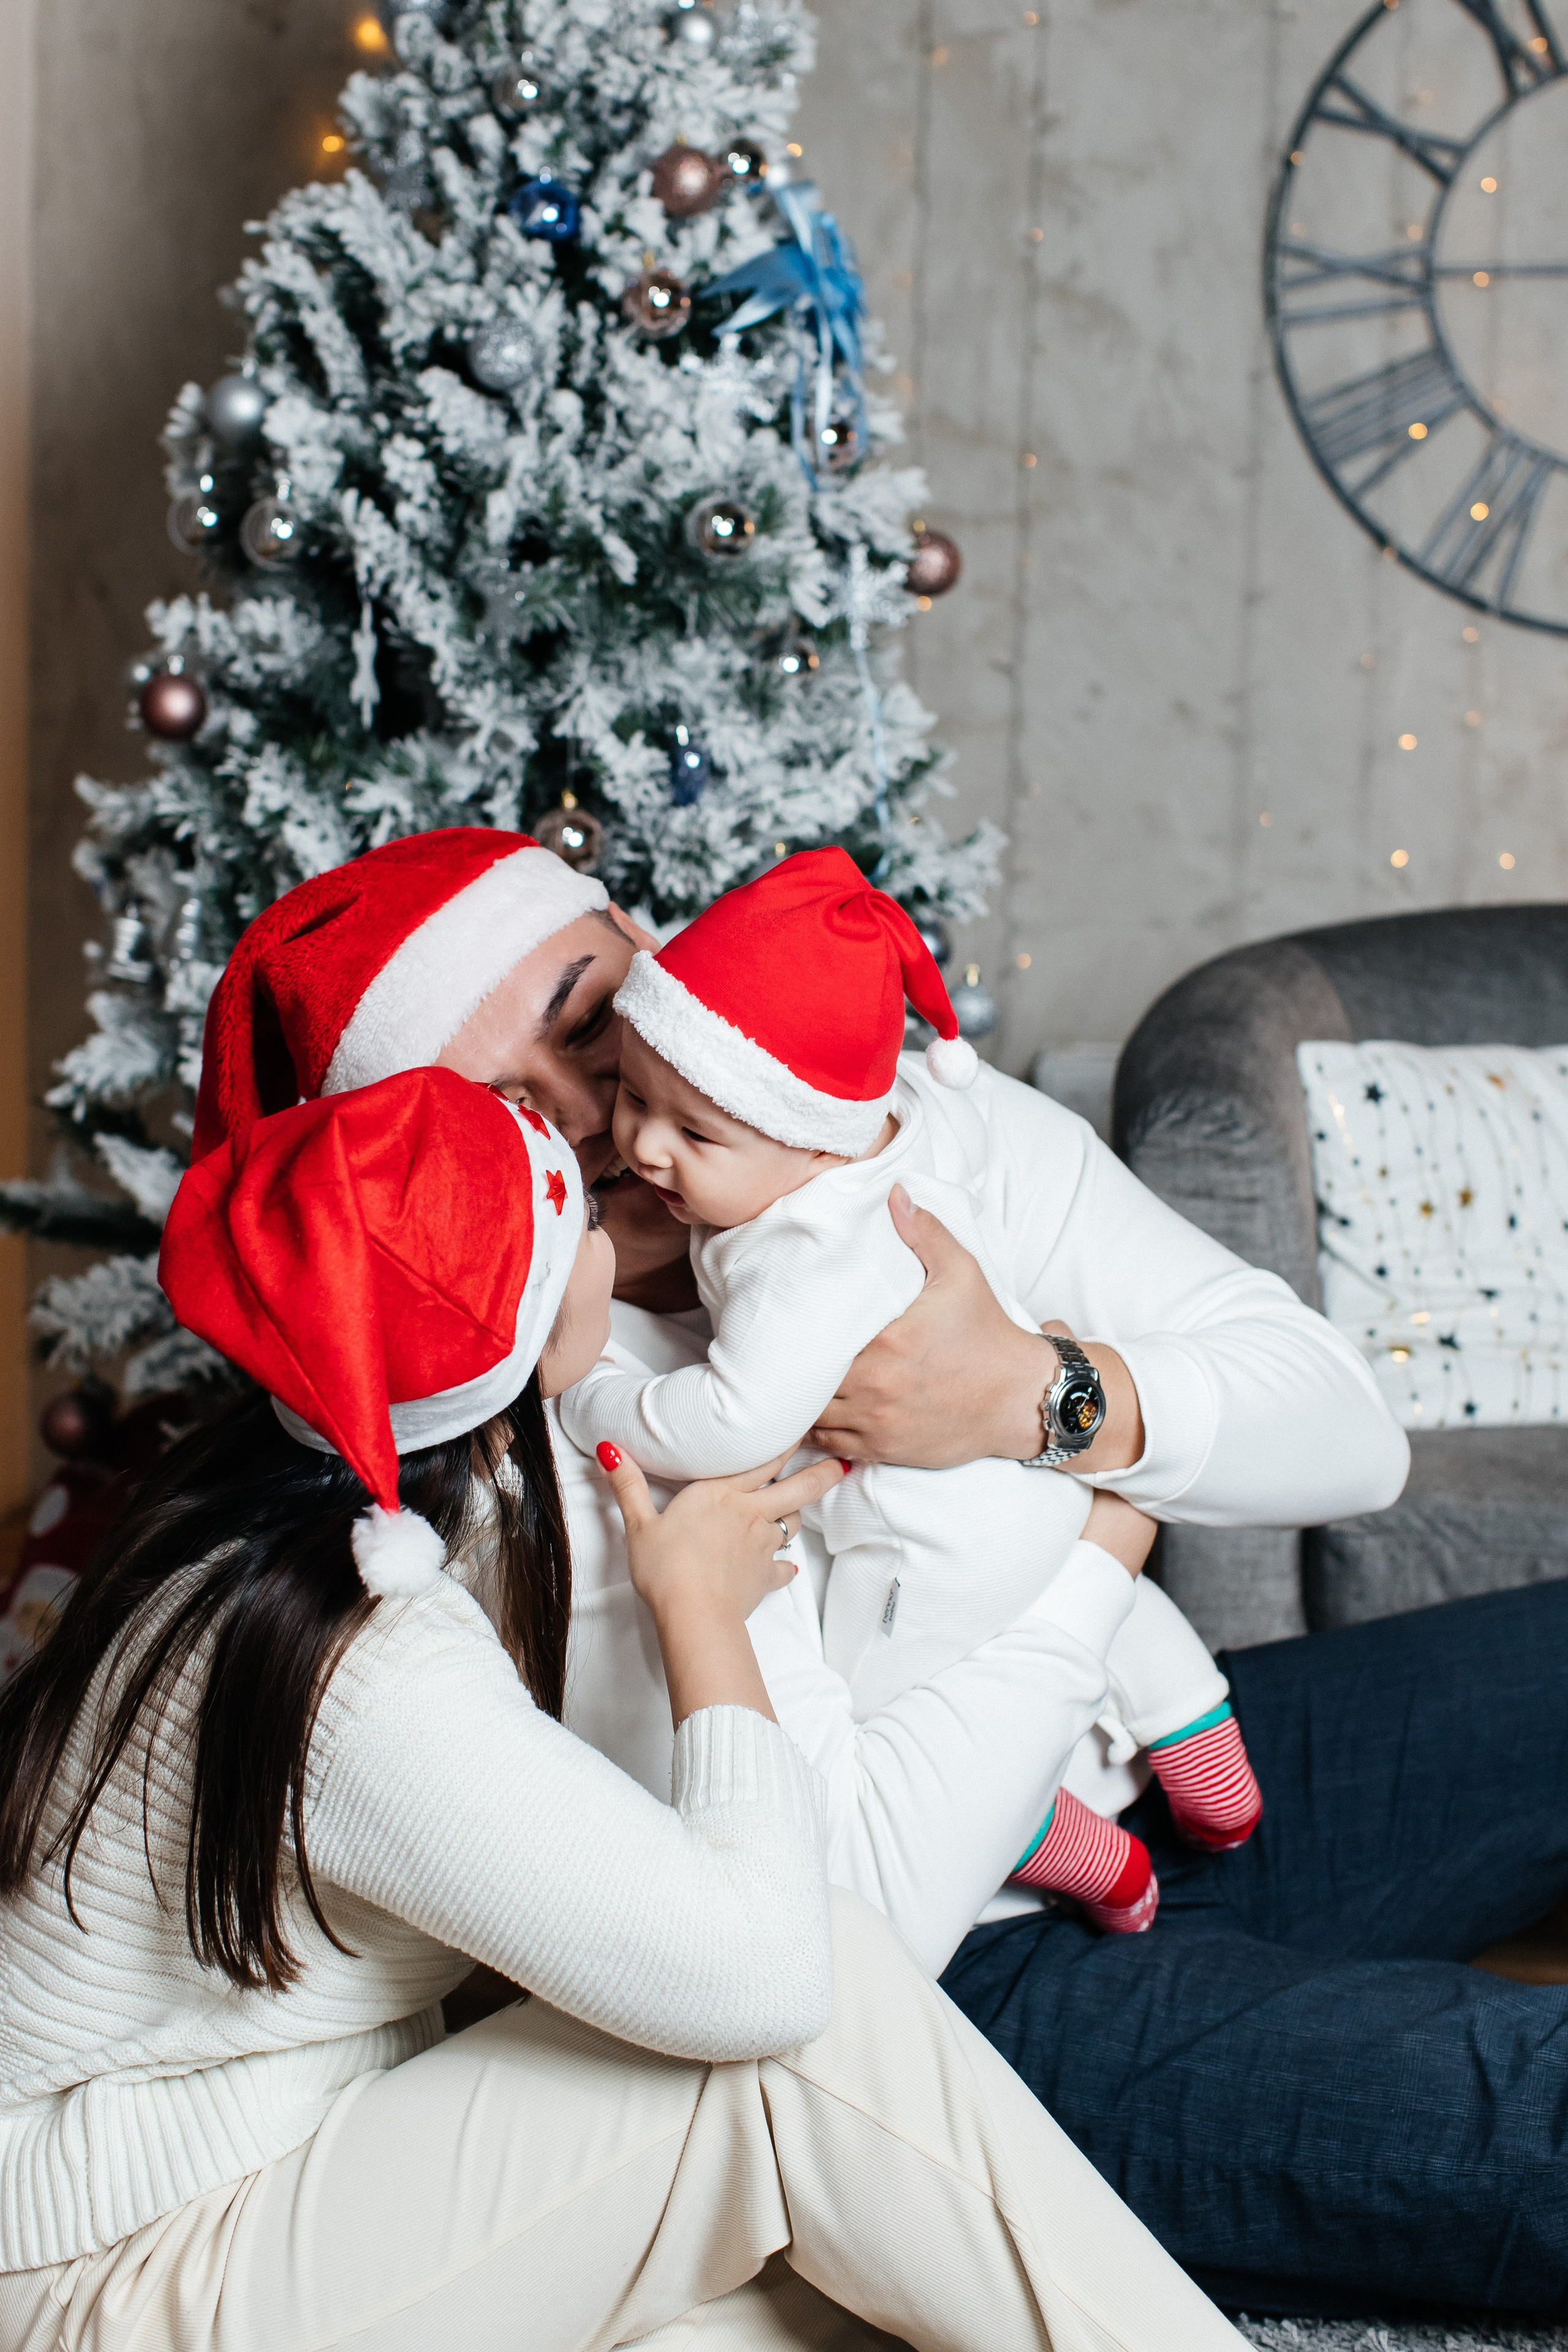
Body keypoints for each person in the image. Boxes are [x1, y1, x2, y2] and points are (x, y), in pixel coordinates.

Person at [198, 829, 1568, 2324]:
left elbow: (1345, 1437)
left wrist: (1033, 1396)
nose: (602, 1121)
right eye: (508, 1112)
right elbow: (852, 1924)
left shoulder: (920, 1139)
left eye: (593, 1016)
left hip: (1156, 1769)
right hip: (963, 2000)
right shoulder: (534, 1442)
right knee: (1523, 2120)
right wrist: (1096, 1557)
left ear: (648, 942)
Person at [0, 1065, 1243, 2352]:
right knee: (817, 2038)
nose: (614, 1231)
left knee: (835, 2285)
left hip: (239, 2176)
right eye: (577, 1230)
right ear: (537, 1336)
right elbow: (767, 1980)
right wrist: (702, 1619)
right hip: (124, 2276)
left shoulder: (283, 1496)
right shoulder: (362, 1655)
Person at [560, 849, 1264, 1936]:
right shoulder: (901, 1153)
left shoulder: (795, 1260)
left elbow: (733, 1423)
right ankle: (1202, 1744)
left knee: (885, 1689)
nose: (639, 1144)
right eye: (634, 1099)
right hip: (1045, 1497)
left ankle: (1057, 1840)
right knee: (1084, 1571)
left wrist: (600, 1398)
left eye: (693, 1133)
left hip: (941, 1556)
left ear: (804, 1133)